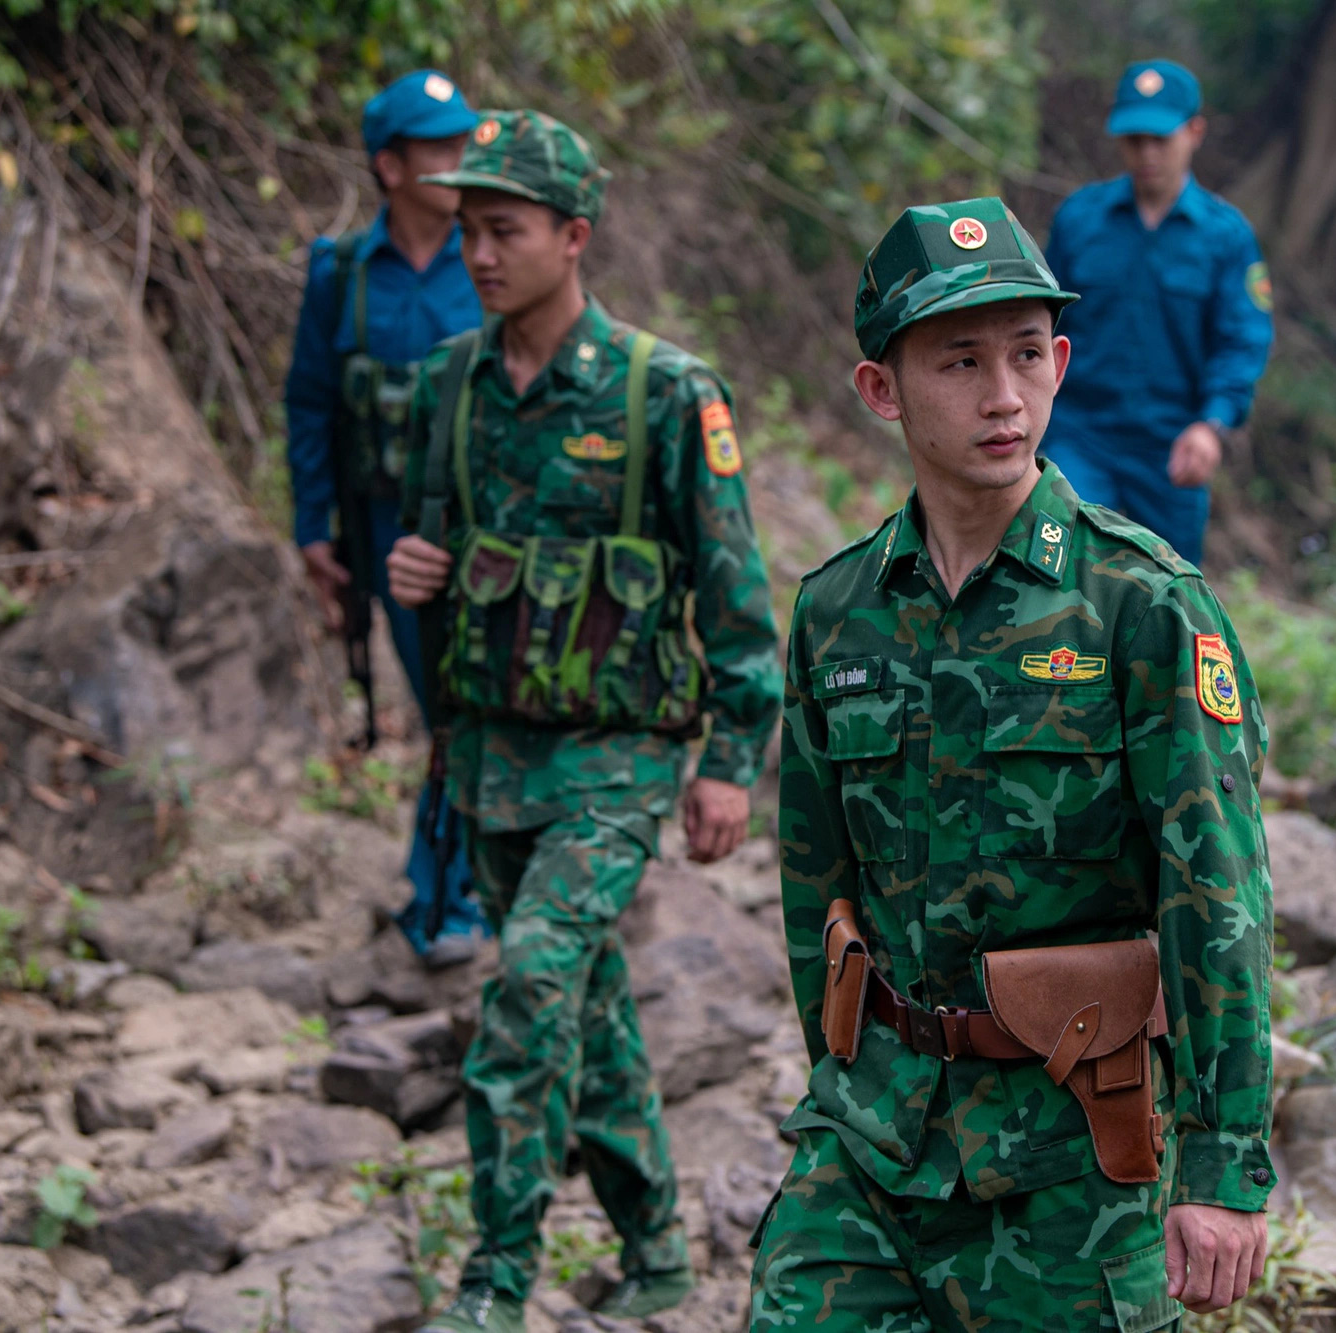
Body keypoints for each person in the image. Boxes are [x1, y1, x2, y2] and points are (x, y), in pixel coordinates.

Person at [750, 197, 1276, 1330]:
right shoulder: (837, 611)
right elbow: (811, 878)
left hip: (1069, 1155)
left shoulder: (1137, 603)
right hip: (871, 1142)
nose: (1002, 395)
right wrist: (832, 1073)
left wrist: (1224, 1168)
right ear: (880, 390)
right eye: (959, 361)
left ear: (1061, 362)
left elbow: (1216, 892)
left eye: (1027, 354)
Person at [386, 109, 782, 1333]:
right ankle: (659, 1247)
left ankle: (494, 1280)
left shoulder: (664, 393)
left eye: (504, 230)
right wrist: (419, 578)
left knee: (530, 988)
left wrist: (728, 761)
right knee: (587, 1005)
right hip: (493, 750)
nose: (479, 253)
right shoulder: (444, 386)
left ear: (575, 236)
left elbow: (734, 596)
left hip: (618, 756)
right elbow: (436, 559)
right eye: (466, 230)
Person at [284, 68, 489, 963]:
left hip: (490, 532)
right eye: (437, 149)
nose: (456, 164)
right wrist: (313, 529)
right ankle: (445, 893)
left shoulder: (491, 258)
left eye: (462, 146)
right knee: (445, 706)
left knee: (484, 700)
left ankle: (469, 890)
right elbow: (311, 402)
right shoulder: (340, 274)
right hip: (385, 530)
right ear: (390, 165)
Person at [1041, 59, 1274, 569]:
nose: (1146, 153)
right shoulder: (1080, 220)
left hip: (1172, 445)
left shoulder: (1225, 237)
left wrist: (1211, 426)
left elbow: (1242, 340)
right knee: (1059, 572)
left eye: (1160, 139)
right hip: (1080, 433)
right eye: (1134, 139)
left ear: (1194, 132)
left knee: (1168, 593)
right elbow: (1038, 326)